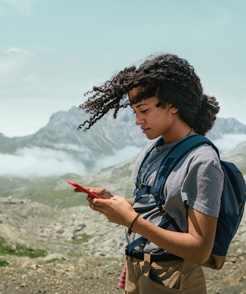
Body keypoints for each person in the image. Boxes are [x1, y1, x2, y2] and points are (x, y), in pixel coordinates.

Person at [75, 54, 224, 293]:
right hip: (139, 269)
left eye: (143, 110)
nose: (137, 120)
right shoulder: (152, 148)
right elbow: (159, 204)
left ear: (173, 105)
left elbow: (199, 249)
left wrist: (131, 220)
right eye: (135, 111)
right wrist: (115, 201)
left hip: (172, 277)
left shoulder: (202, 162)